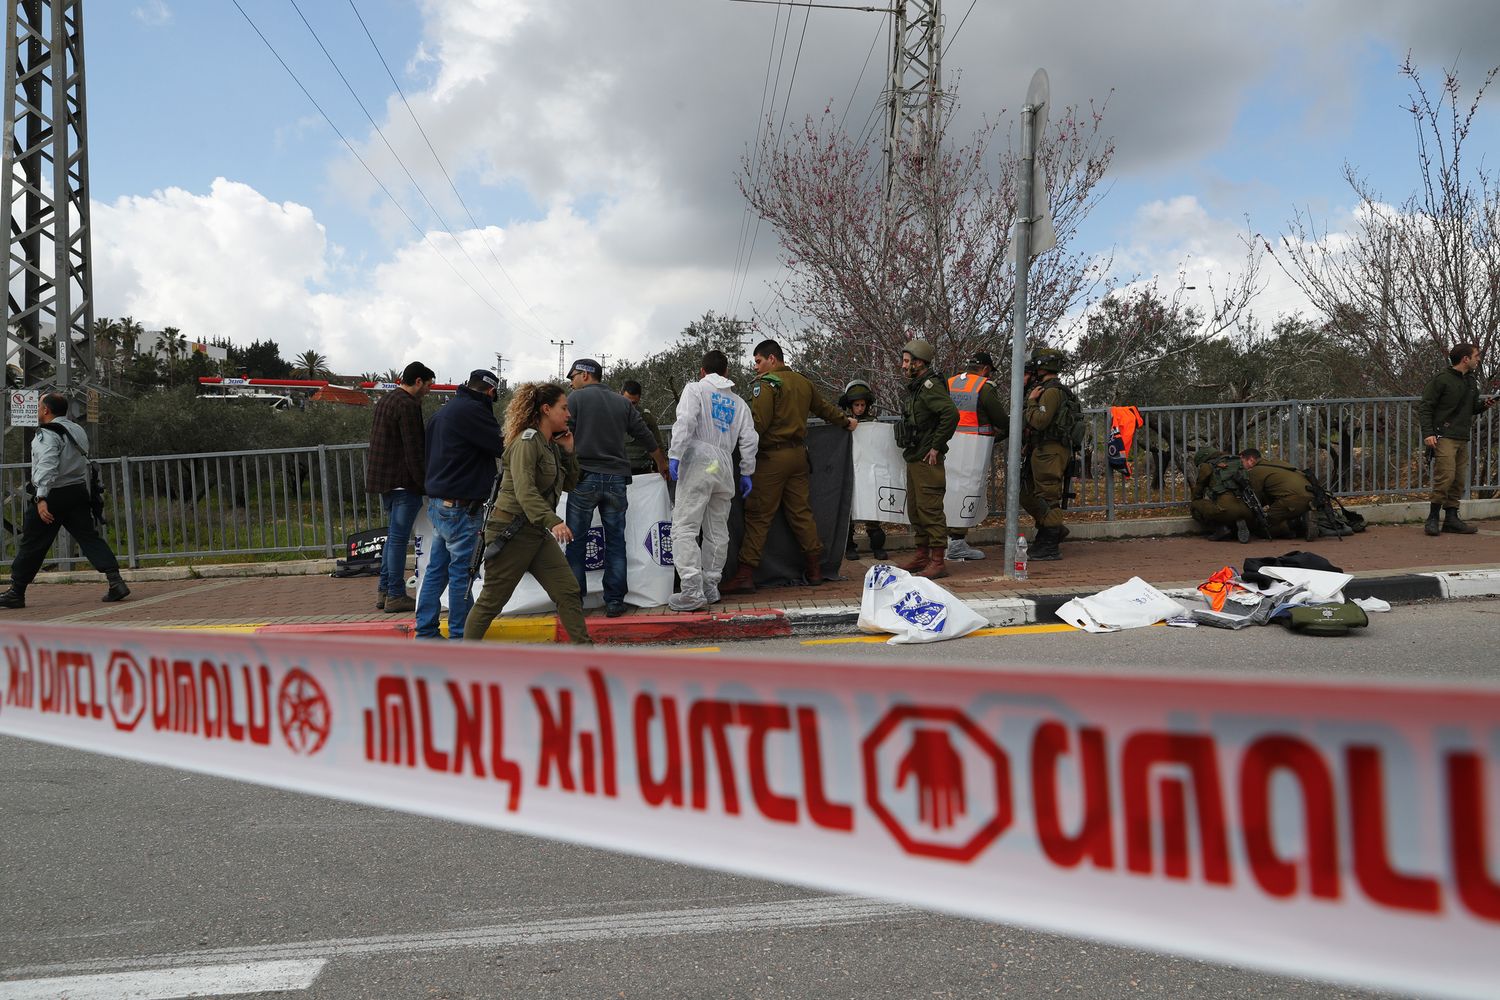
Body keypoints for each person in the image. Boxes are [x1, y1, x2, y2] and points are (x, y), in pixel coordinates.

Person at [721, 339, 857, 595]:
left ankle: (745, 574)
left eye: (758, 361)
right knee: (801, 514)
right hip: (799, 457)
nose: (756, 367)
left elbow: (758, 425)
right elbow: (824, 409)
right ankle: (815, 568)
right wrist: (845, 422)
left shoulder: (767, 385)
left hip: (772, 459)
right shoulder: (803, 382)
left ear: (772, 359)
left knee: (759, 516)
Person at [464, 383, 591, 644]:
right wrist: (553, 521)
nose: (568, 414)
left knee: (567, 591)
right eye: (563, 408)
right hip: (510, 532)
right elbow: (525, 491)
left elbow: (569, 483)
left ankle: (586, 657)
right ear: (546, 409)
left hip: (534, 532)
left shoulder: (549, 445)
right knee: (491, 602)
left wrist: (568, 452)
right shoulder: (526, 442)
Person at [0, 394, 129, 609]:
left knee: (33, 542)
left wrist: (41, 498)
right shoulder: (77, 429)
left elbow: (47, 465)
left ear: (46, 411)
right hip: (77, 492)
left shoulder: (47, 434)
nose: (37, 409)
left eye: (39, 406)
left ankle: (16, 591)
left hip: (53, 494)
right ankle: (115, 581)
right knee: (88, 537)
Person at [564, 358, 669, 617]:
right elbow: (645, 435)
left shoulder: (574, 401)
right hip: (616, 480)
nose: (571, 381)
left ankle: (574, 602)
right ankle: (614, 602)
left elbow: (560, 433)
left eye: (573, 376)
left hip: (584, 478)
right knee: (615, 542)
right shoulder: (622, 403)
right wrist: (662, 464)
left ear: (586, 375)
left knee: (576, 541)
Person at [415, 369, 506, 640]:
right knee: (461, 575)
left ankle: (426, 632)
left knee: (436, 571)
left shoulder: (445, 411)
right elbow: (503, 446)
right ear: (490, 392)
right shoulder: (473, 413)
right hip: (462, 508)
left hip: (439, 504)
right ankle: (460, 637)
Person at [666, 350, 758, 612]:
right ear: (726, 373)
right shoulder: (739, 403)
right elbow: (749, 440)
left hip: (698, 461)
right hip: (723, 465)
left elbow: (685, 421)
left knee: (685, 526)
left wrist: (675, 454)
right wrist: (747, 472)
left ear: (702, 371)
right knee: (717, 529)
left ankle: (692, 590)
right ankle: (710, 586)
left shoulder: (695, 390)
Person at [366, 360, 435, 614]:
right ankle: (395, 594)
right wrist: (425, 483)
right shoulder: (408, 405)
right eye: (428, 385)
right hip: (403, 481)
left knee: (393, 538)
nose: (428, 390)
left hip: (384, 481)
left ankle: (385, 592)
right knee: (397, 540)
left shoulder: (387, 400)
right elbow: (413, 449)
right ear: (418, 381)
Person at [897, 339, 960, 579]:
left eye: (906, 361)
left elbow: (950, 414)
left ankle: (937, 561)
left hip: (927, 459)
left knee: (930, 509)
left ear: (918, 362)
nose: (903, 365)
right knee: (916, 510)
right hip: (915, 456)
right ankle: (922, 555)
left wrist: (936, 446)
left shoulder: (930, 386)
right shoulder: (917, 386)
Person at [1418, 343, 1496, 536]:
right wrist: (1428, 433)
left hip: (1462, 436)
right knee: (1445, 476)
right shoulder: (1442, 379)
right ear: (1465, 359)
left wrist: (1485, 404)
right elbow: (1426, 407)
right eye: (1476, 356)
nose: (1478, 359)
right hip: (1444, 436)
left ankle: (1451, 518)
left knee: (1459, 479)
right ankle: (1433, 518)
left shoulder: (1471, 381)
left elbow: (1471, 408)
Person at [1019, 347, 1083, 562]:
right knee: (1030, 493)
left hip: (1050, 451)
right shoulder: (1052, 389)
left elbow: (1039, 421)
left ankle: (1049, 544)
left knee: (1048, 498)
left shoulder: (1051, 391)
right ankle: (1051, 531)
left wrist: (1031, 402)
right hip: (1046, 449)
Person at [944, 350, 1009, 562]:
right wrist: (1007, 430)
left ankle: (946, 541)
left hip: (948, 445)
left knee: (949, 490)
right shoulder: (984, 387)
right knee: (968, 491)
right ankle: (957, 544)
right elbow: (1001, 420)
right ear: (986, 369)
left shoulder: (951, 383)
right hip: (973, 448)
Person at [838, 379, 889, 561]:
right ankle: (849, 546)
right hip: (850, 471)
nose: (859, 408)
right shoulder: (843, 424)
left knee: (872, 511)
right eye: (856, 405)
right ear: (850, 406)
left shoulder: (873, 423)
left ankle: (877, 546)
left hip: (869, 471)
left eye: (862, 405)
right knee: (849, 512)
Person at [1239, 448, 1315, 539]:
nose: (1241, 465)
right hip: (1312, 499)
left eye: (1242, 462)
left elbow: (1255, 498)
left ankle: (1298, 523)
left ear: (1251, 460)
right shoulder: (1277, 463)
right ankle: (1301, 522)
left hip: (1292, 500)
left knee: (1263, 527)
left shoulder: (1256, 471)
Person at [1188, 446, 1254, 543]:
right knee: (1229, 508)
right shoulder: (1237, 461)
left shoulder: (1207, 466)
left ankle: (1219, 529)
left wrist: (1197, 499)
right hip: (1248, 510)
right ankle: (1237, 526)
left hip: (1227, 510)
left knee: (1195, 505)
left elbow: (1199, 490)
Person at [621, 380, 664, 476]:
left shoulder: (646, 417)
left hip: (642, 471)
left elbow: (658, 443)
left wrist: (660, 466)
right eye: (626, 401)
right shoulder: (609, 415)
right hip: (618, 470)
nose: (629, 406)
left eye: (633, 403)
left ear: (639, 399)